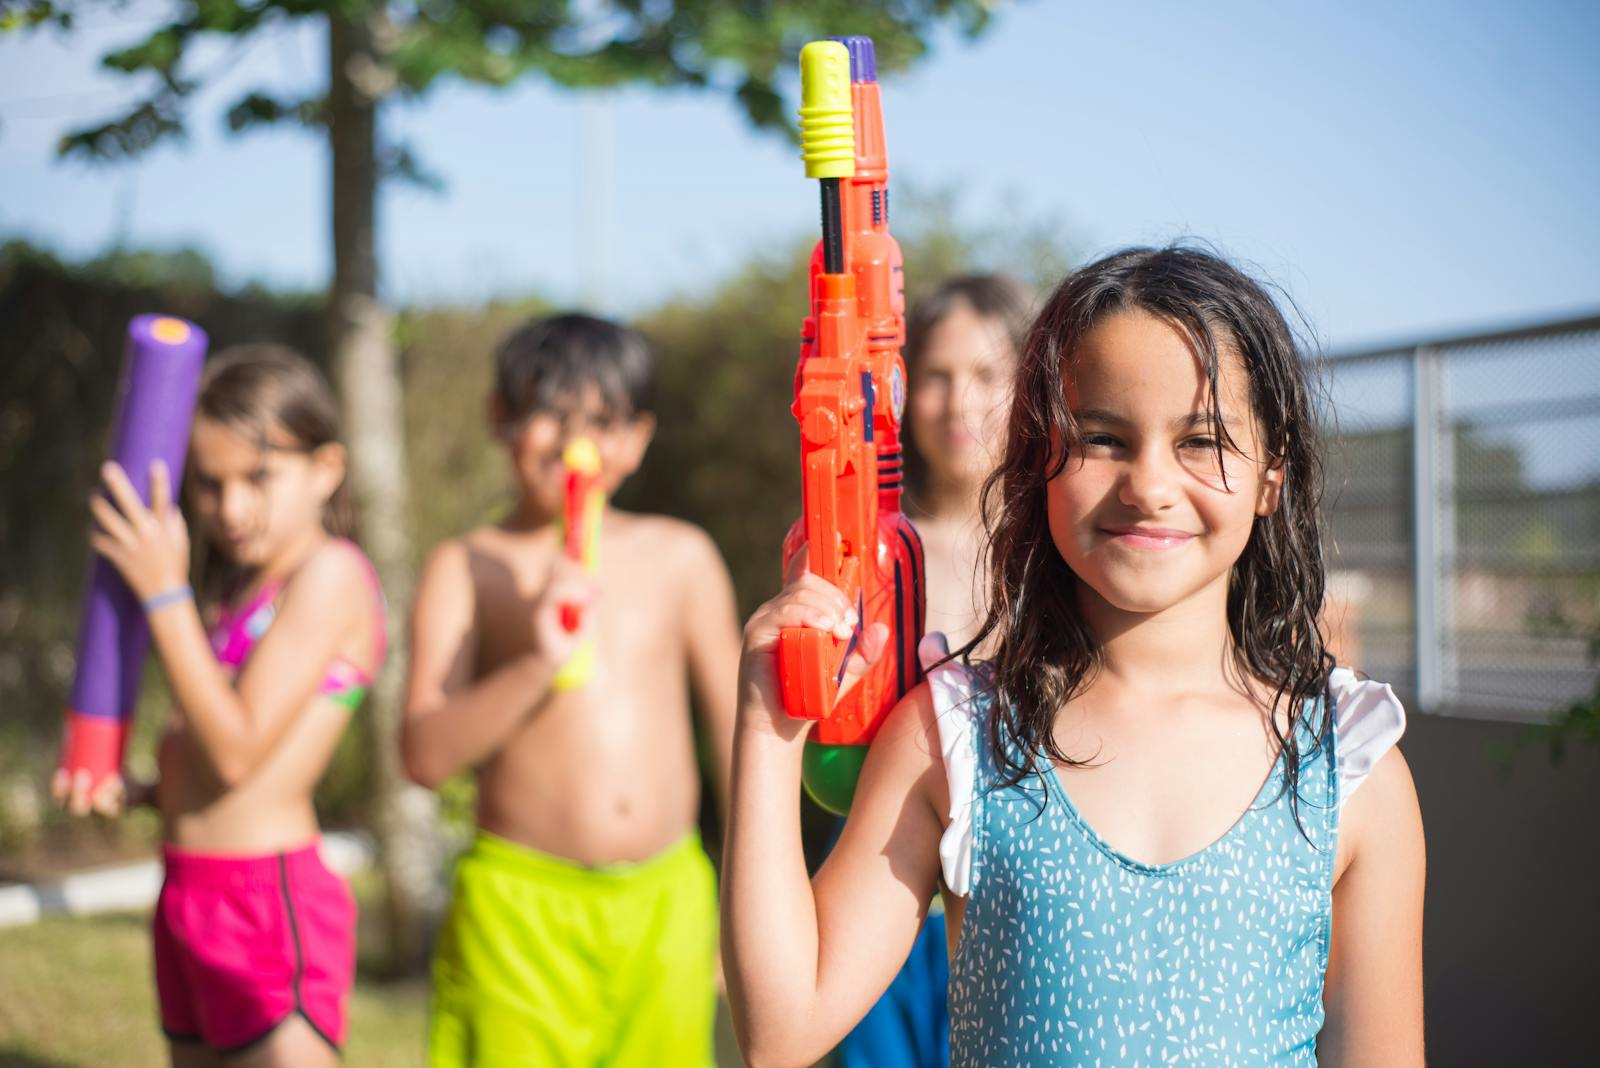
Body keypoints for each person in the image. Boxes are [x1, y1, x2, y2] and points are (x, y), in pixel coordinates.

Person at [723, 247, 1425, 1066]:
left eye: (1202, 440)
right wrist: (766, 727)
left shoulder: (1350, 767)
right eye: (1103, 438)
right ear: (1038, 460)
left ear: (1273, 473)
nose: (1150, 484)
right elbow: (780, 1033)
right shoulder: (951, 737)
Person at [402, 313, 741, 1067]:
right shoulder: (467, 566)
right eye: (551, 414)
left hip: (666, 902)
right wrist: (534, 662)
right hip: (514, 914)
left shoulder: (680, 557)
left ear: (640, 437)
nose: (575, 445)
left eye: (602, 422)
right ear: (501, 417)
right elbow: (423, 754)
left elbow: (735, 739)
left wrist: (743, 910)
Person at [60, 344, 386, 1066]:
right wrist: (144, 790)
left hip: (264, 903)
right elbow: (206, 751)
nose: (230, 508)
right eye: (209, 485)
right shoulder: (239, 596)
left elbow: (239, 751)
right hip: (187, 892)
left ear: (326, 469)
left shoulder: (330, 575)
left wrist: (164, 593)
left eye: (258, 477)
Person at [835, 274, 1032, 1068]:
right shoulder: (872, 548)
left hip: (1017, 897)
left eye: (987, 376)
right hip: (885, 880)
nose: (959, 403)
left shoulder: (1066, 553)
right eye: (938, 377)